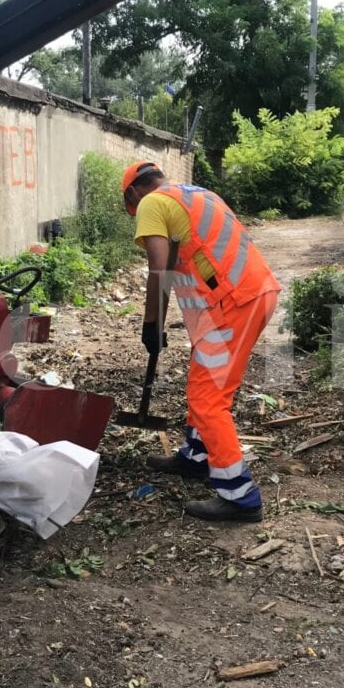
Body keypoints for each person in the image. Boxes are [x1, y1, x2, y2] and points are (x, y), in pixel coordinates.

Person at [121, 160, 281, 523]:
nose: (136, 216)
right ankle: (196, 457)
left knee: (209, 400)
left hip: (233, 303)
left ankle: (240, 496)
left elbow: (159, 267)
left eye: (131, 208)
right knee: (200, 381)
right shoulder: (195, 193)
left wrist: (152, 323)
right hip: (246, 295)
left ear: (133, 192)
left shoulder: (151, 203)